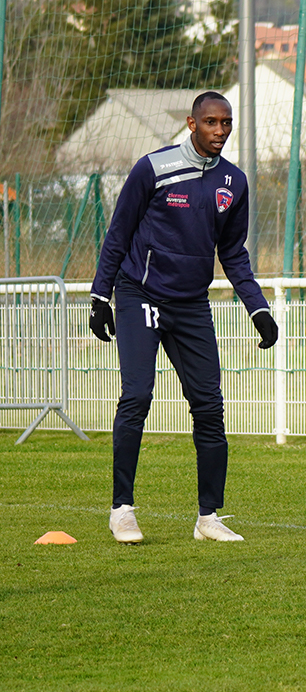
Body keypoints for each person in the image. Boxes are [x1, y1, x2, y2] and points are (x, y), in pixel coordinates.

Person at [88, 91, 278, 544]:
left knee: (210, 407)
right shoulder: (152, 168)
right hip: (140, 295)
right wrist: (100, 297)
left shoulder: (234, 182)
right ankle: (122, 510)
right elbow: (118, 233)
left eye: (226, 123)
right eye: (211, 122)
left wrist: (259, 307)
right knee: (137, 397)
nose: (220, 131)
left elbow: (232, 253)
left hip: (192, 304)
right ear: (192, 124)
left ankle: (208, 518)